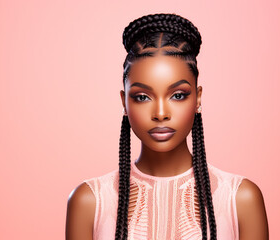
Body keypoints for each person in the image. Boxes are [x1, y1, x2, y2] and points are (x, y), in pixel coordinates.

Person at [65, 13, 268, 240]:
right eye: (142, 97)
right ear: (124, 102)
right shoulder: (90, 202)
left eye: (178, 95)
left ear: (198, 98)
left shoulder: (240, 199)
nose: (161, 114)